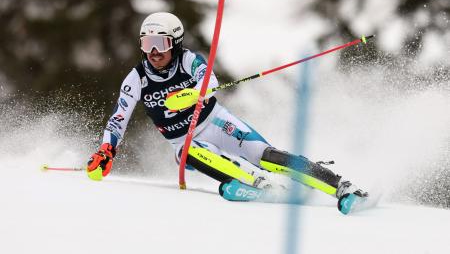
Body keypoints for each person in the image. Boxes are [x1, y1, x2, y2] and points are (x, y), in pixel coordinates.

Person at [86, 12, 367, 206]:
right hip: (185, 143)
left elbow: (210, 80)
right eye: (147, 44)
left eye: (160, 43)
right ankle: (258, 184)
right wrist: (107, 149)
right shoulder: (137, 78)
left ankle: (342, 187)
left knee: (268, 156)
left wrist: (192, 95)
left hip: (217, 123)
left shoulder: (187, 61)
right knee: (186, 152)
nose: (153, 52)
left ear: (175, 42)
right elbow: (117, 120)